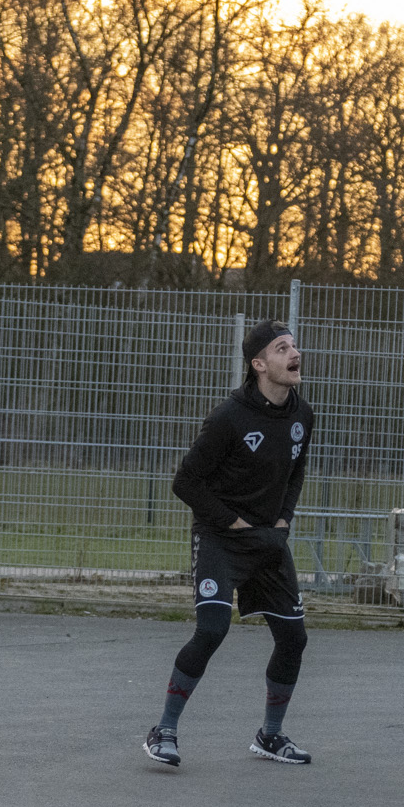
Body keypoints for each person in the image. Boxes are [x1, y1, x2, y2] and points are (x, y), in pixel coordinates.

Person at [145, 321, 316, 768]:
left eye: (294, 346)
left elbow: (295, 472)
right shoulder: (229, 417)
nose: (294, 353)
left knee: (293, 639)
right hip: (221, 537)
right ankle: (164, 730)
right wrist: (233, 521)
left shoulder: (303, 414)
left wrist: (283, 520)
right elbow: (185, 482)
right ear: (259, 365)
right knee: (212, 630)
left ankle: (270, 737)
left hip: (268, 541)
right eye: (282, 349)